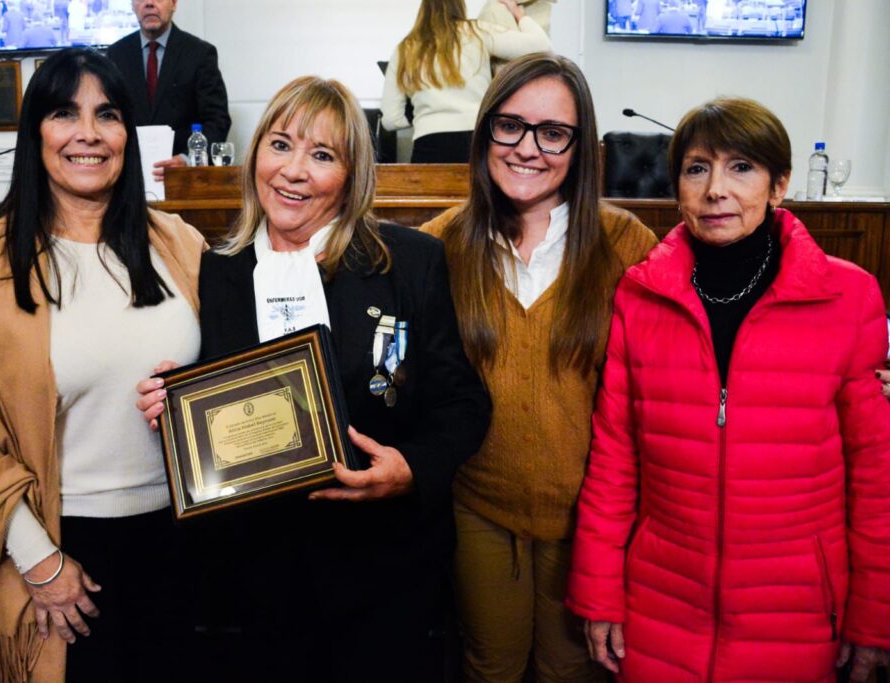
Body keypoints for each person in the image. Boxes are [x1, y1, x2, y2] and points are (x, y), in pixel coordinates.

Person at [137, 75, 491, 681]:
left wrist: (410, 469)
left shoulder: (409, 261)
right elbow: (224, 398)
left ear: (351, 176)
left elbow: (463, 404)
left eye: (322, 155)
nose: (293, 171)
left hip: (384, 570)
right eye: (280, 145)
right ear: (255, 155)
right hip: (261, 576)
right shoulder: (216, 272)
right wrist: (174, 398)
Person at [567, 97, 890, 682]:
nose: (716, 189)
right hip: (660, 605)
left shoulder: (849, 297)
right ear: (678, 187)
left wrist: (877, 618)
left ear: (779, 185)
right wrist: (599, 594)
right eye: (697, 168)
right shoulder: (640, 295)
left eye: (741, 167)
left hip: (799, 615)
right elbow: (614, 458)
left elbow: (876, 475)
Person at [0, 48, 206, 682]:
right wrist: (39, 561)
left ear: (128, 134)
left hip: (179, 540)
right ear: (35, 134)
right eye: (64, 114)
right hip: (61, 546)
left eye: (107, 114)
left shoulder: (180, 244)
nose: (88, 134)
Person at [419, 53, 657, 681]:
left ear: (580, 147)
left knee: (571, 670)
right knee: (489, 665)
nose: (528, 149)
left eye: (553, 133)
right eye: (510, 126)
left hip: (592, 520)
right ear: (484, 133)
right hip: (478, 506)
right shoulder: (438, 244)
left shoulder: (627, 244)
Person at [381, 0, 550, 163]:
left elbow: (390, 120)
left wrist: (421, 115)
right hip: (476, 137)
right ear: (460, 5)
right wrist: (518, 14)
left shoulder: (404, 48)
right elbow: (541, 46)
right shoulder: (477, 32)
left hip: (428, 142)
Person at [106, 0, 231, 179]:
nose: (149, 3)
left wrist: (187, 159)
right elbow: (107, 118)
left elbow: (217, 120)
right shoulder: (116, 54)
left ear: (174, 4)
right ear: (132, 5)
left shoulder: (199, 53)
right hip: (128, 175)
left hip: (183, 176)